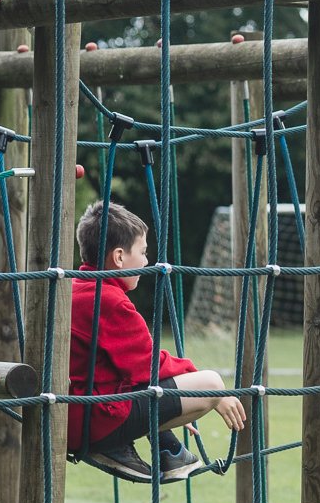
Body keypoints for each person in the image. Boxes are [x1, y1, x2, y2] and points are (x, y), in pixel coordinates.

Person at [68, 201, 246, 482]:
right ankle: (118, 445)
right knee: (211, 383)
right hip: (93, 420)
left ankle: (167, 447)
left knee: (167, 389)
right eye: (142, 252)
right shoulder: (108, 300)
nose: (146, 262)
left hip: (76, 412)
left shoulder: (75, 287)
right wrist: (211, 392)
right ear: (118, 257)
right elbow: (149, 365)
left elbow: (130, 368)